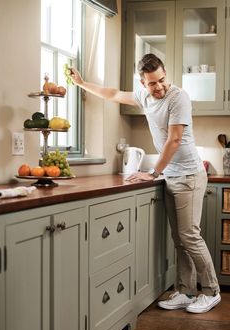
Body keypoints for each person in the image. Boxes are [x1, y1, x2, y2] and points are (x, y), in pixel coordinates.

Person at [69, 53, 221, 313]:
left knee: (190, 236)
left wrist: (152, 173)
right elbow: (113, 93)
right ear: (143, 83)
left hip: (189, 175)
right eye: (152, 83)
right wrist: (82, 84)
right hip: (171, 175)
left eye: (162, 80)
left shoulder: (178, 98)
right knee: (179, 238)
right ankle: (185, 290)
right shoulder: (143, 97)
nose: (159, 86)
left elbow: (174, 140)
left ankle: (211, 290)